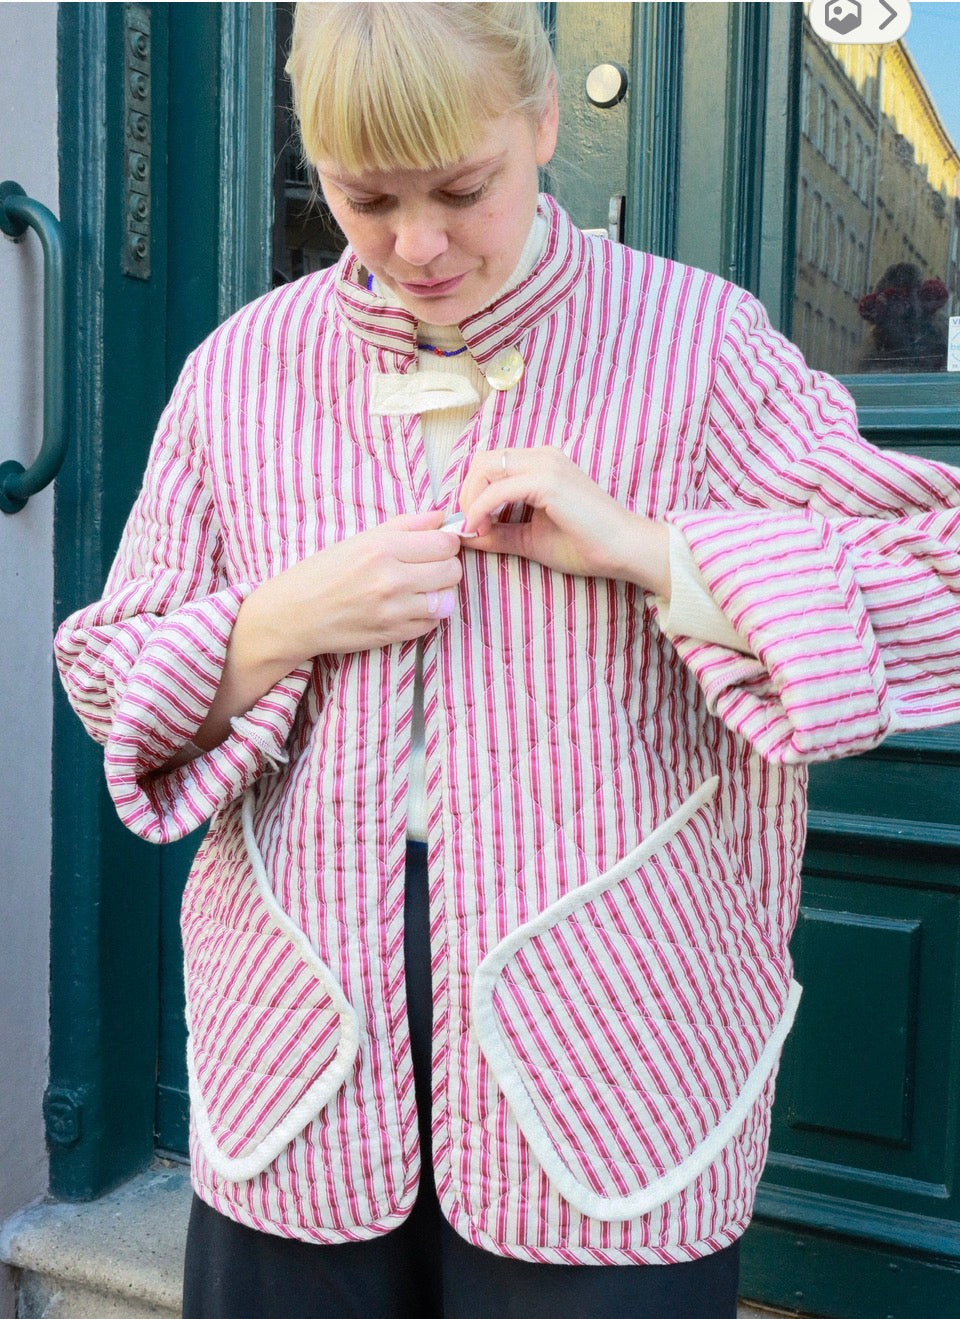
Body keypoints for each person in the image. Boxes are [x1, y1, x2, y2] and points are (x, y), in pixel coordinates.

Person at [55, 4, 960, 1316]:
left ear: (542, 123)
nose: (418, 246)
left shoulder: (696, 347)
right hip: (300, 1043)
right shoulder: (242, 375)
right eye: (367, 200)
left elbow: (938, 586)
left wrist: (654, 551)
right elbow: (109, 673)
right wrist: (281, 619)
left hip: (615, 1044)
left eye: (462, 189)